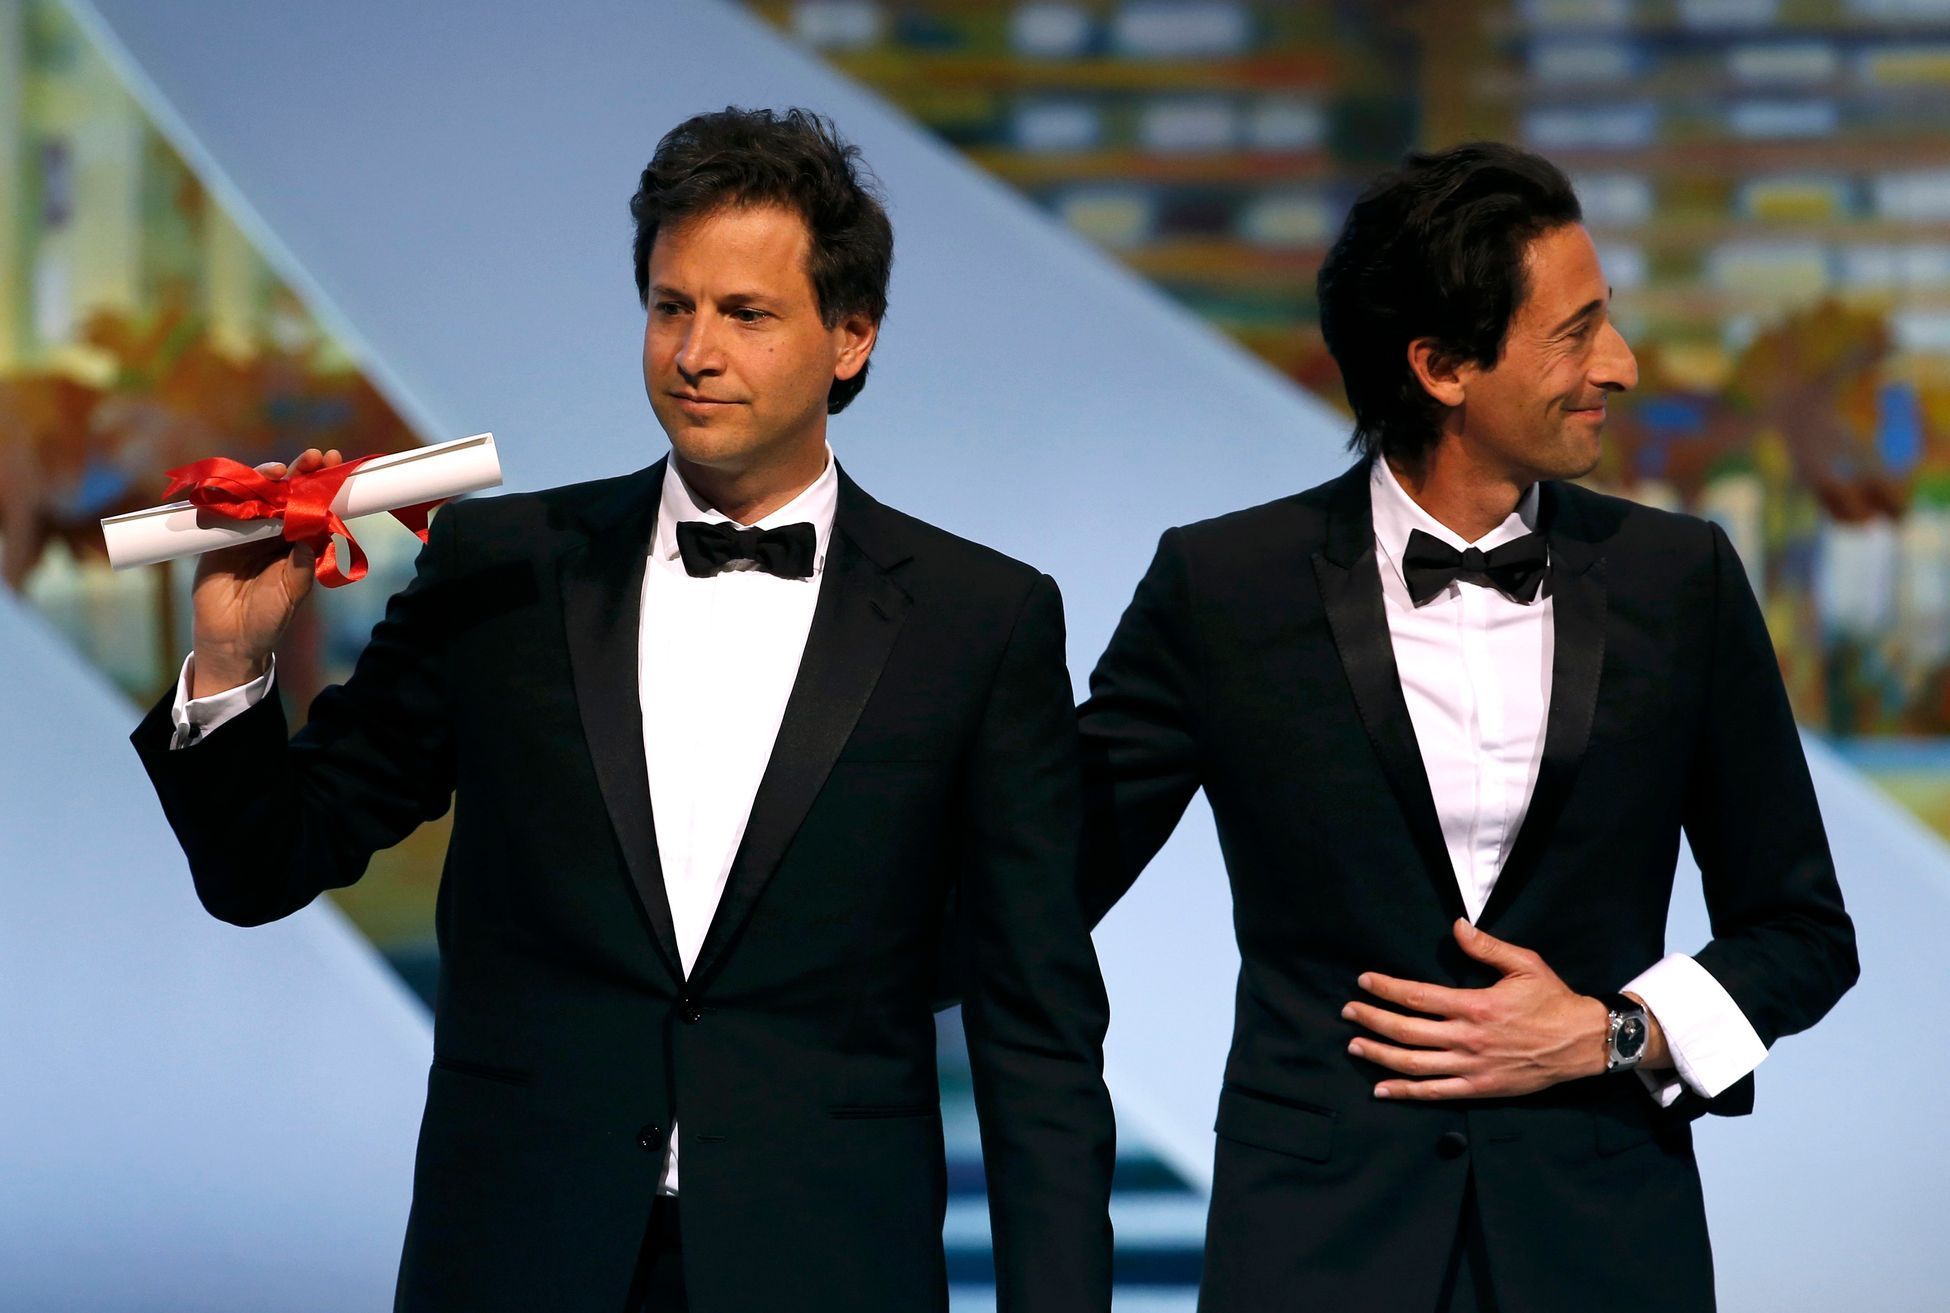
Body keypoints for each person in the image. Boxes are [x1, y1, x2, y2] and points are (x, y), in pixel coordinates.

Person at [132, 107, 1114, 1313]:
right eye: (670, 305)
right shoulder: (500, 565)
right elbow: (264, 866)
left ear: (851, 337)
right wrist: (232, 662)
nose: (695, 350)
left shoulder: (982, 618)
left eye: (746, 314)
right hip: (515, 1253)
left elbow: (1037, 1032)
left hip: (828, 1261)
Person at [1078, 142, 1858, 1311]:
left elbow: (1802, 928)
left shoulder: (1679, 578)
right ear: (1442, 366)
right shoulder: (1225, 586)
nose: (1624, 364)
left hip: (1601, 1250)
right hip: (1316, 1252)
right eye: (1576, 331)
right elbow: (1036, 876)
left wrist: (1616, 1032)